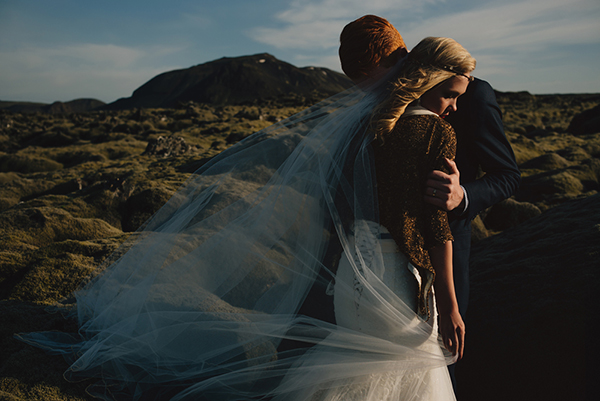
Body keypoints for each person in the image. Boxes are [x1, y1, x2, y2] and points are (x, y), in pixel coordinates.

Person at [18, 35, 473, 401]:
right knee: (406, 366)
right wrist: (451, 304)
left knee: (356, 363)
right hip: (394, 276)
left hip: (354, 275)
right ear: (432, 79)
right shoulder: (434, 129)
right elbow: (433, 225)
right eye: (452, 95)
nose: (455, 107)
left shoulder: (372, 124)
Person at [339, 14, 521, 390]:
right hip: (375, 259)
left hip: (444, 253)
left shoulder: (469, 94)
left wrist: (462, 195)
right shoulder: (378, 106)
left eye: (376, 79)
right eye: (361, 86)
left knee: (435, 363)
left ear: (399, 59)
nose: (372, 92)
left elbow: (508, 175)